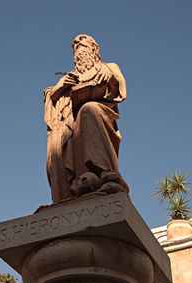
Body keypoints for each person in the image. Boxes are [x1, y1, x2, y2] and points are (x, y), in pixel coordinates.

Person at [44, 34, 129, 203]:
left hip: (99, 112)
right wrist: (61, 86)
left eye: (82, 45)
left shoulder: (108, 66)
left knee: (88, 109)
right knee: (62, 137)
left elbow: (120, 88)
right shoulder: (69, 76)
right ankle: (76, 186)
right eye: (76, 48)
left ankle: (105, 174)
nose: (78, 49)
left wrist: (110, 77)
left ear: (94, 49)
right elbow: (51, 99)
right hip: (72, 123)